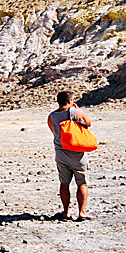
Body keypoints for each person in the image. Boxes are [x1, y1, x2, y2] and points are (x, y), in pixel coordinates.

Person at [47, 91, 94, 220]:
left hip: (61, 154)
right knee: (82, 183)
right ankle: (82, 212)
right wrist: (78, 111)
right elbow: (88, 123)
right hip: (77, 154)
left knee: (64, 183)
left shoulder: (51, 116)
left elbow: (54, 132)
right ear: (70, 100)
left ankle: (66, 212)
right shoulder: (75, 112)